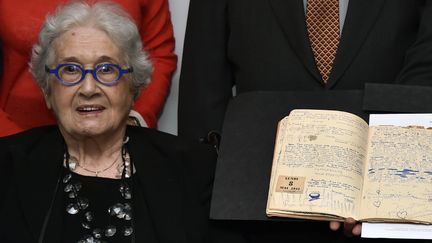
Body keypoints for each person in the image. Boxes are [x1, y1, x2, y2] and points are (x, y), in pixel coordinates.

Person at [178, 0, 432, 240]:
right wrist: (207, 203)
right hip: (254, 212)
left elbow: (424, 65)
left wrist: (393, 190)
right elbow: (203, 89)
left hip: (383, 209)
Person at [0, 2, 216, 242]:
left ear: (133, 87)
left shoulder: (193, 169)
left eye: (106, 69)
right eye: (71, 69)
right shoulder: (7, 168)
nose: (89, 88)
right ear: (47, 90)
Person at [0, 0, 176, 137]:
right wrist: (13, 144)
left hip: (117, 136)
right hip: (18, 130)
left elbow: (157, 54)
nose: (88, 89)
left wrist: (136, 120)